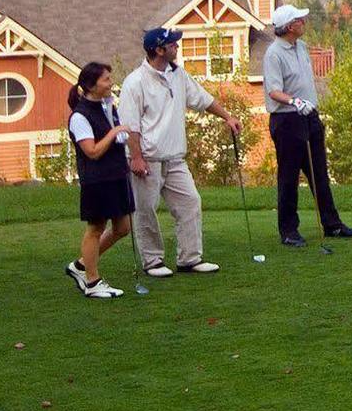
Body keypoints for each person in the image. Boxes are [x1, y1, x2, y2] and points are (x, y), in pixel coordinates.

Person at [118, 26, 243, 277]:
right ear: (158, 49)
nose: (177, 47)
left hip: (175, 157)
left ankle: (189, 258)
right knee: (146, 210)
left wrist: (227, 117)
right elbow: (130, 126)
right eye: (172, 44)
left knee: (190, 202)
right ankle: (152, 261)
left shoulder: (178, 74)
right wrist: (137, 158)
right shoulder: (135, 82)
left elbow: (203, 99)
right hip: (147, 159)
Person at [263, 3, 352, 248]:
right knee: (289, 177)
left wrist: (306, 105)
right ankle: (288, 230)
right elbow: (274, 91)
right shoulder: (274, 54)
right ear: (289, 27)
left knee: (319, 173)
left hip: (309, 116)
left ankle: (332, 224)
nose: (303, 22)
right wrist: (294, 101)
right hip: (287, 120)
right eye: (299, 20)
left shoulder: (301, 47)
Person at [64, 61, 135, 299]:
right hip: (96, 179)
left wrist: (120, 136)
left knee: (122, 228)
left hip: (116, 174)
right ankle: (92, 281)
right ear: (91, 86)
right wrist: (113, 133)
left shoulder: (107, 106)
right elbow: (92, 151)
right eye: (105, 79)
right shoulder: (79, 116)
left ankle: (81, 265)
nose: (110, 82)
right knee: (96, 228)